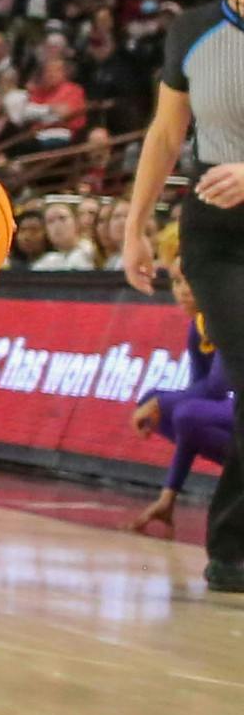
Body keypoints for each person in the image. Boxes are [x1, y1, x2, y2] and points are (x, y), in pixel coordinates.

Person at [123, 0, 244, 593]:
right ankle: (231, 547)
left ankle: (231, 549)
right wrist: (136, 225)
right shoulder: (191, 30)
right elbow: (166, 136)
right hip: (218, 235)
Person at [127, 226, 234, 536]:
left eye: (190, 278)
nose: (183, 289)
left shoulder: (229, 315)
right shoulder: (197, 326)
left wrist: (160, 403)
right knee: (169, 407)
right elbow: (201, 399)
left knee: (174, 408)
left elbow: (215, 387)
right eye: (175, 280)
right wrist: (169, 492)